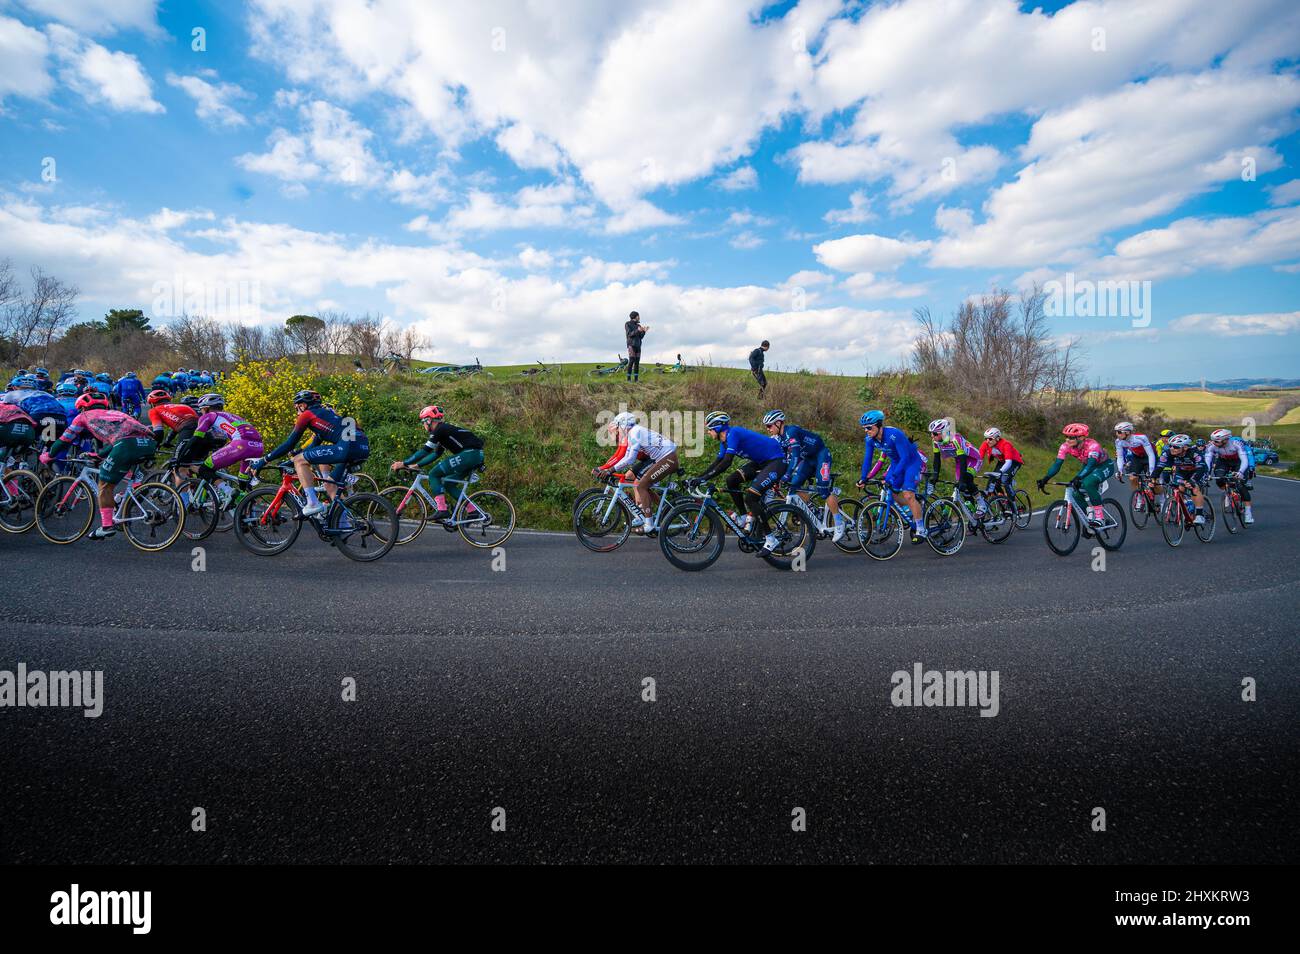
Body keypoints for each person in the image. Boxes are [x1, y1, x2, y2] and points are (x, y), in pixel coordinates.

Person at [39, 391, 158, 540]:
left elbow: (65, 439)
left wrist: (49, 455)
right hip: (148, 443)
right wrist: (100, 455)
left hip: (126, 445)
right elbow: (119, 438)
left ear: (82, 408)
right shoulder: (115, 413)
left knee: (105, 484)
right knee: (129, 478)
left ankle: (107, 526)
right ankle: (124, 501)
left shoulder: (83, 416)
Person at [253, 390, 369, 516]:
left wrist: (264, 460)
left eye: (297, 408)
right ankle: (342, 524)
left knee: (299, 460)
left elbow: (289, 444)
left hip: (347, 447)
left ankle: (313, 502)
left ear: (303, 405)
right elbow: (314, 446)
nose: (297, 412)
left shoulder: (307, 415)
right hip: (363, 446)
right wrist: (289, 462)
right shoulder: (327, 414)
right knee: (329, 485)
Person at [688, 411, 786, 553]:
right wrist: (698, 478)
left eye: (709, 429)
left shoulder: (733, 433)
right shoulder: (724, 441)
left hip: (776, 461)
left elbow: (727, 462)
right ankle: (743, 516)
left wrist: (703, 479)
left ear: (717, 427)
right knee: (731, 480)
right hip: (761, 463)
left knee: (751, 497)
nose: (708, 432)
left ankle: (771, 539)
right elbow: (718, 462)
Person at [390, 404, 482, 521]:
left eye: (423, 421)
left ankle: (442, 510)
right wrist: (416, 465)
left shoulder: (440, 429)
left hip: (469, 455)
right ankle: (472, 510)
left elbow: (425, 451)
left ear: (429, 420)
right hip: (475, 455)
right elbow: (435, 454)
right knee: (448, 484)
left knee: (434, 474)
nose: (423, 425)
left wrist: (404, 463)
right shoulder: (444, 431)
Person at [764, 409, 844, 542]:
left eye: (769, 425)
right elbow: (785, 460)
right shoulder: (781, 438)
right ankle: (813, 510)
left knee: (823, 490)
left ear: (778, 423)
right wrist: (779, 476)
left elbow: (795, 457)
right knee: (793, 486)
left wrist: (786, 475)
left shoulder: (791, 432)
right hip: (807, 459)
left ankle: (839, 523)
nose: (768, 429)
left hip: (821, 455)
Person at [596, 412, 678, 531]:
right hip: (662, 458)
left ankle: (649, 524)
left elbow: (630, 459)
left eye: (618, 427)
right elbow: (626, 456)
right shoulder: (632, 433)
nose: (617, 430)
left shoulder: (635, 432)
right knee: (643, 485)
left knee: (640, 486)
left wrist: (610, 470)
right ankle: (659, 512)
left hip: (668, 459)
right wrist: (609, 469)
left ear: (623, 425)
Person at [857, 409, 926, 539]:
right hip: (896, 463)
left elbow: (905, 457)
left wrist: (893, 476)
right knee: (889, 491)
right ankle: (912, 509)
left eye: (869, 427)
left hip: (911, 462)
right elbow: (868, 459)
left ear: (878, 425)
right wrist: (863, 478)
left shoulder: (894, 434)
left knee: (908, 494)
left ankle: (921, 529)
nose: (866, 430)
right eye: (864, 428)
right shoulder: (870, 440)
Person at [1036, 423, 1116, 526]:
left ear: (1082, 437)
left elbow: (1091, 465)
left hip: (1103, 466)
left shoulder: (1093, 446)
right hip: (1087, 466)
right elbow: (1057, 464)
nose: (1067, 440)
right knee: (1074, 491)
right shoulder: (1065, 446)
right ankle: (1089, 517)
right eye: (1066, 437)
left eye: (1071, 437)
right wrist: (1045, 478)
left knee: (1088, 483)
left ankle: (1100, 518)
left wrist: (1078, 477)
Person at [927, 417, 984, 516]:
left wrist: (962, 480)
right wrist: (935, 476)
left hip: (973, 459)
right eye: (931, 433)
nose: (932, 436)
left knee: (966, 478)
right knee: (963, 489)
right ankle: (973, 516)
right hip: (959, 460)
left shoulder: (955, 439)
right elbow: (937, 459)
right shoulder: (935, 442)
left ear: (944, 432)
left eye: (935, 433)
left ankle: (981, 503)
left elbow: (963, 460)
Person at [1152, 434, 1208, 525]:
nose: (1172, 448)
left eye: (1176, 446)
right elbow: (1160, 466)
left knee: (1194, 487)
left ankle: (1199, 515)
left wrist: (1193, 481)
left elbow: (1201, 468)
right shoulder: (1167, 453)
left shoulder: (1195, 453)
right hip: (1182, 471)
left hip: (1198, 471)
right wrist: (1153, 478)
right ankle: (1185, 508)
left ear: (1185, 447)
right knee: (1179, 489)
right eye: (1170, 446)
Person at [1204, 427, 1255, 525]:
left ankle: (1248, 513)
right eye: (1213, 441)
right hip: (1223, 461)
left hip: (1238, 461)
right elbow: (1207, 461)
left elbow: (1244, 460)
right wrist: (1206, 474)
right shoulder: (1211, 445)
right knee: (1219, 479)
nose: (1214, 443)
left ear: (1225, 440)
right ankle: (1227, 493)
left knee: (1240, 485)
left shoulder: (1236, 443)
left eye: (1217, 441)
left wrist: (1240, 472)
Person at [1113, 422, 1157, 512]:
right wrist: (1120, 470)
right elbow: (1120, 457)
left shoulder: (1141, 438)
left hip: (1149, 457)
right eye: (1116, 432)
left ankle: (1163, 499)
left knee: (1154, 482)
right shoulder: (1119, 441)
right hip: (1137, 457)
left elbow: (1151, 454)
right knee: (1132, 478)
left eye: (1119, 432)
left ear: (1127, 432)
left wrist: (1152, 471)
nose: (1117, 434)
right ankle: (1139, 497)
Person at [978, 427, 1023, 505]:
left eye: (990, 439)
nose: (987, 441)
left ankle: (1012, 503)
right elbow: (979, 459)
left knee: (1005, 480)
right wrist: (972, 470)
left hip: (1014, 461)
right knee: (992, 479)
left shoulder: (1006, 444)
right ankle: (1002, 497)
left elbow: (1009, 462)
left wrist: (1001, 472)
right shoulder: (985, 444)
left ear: (997, 438)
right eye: (986, 438)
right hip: (1002, 461)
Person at [624, 311, 647, 383]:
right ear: (635, 316)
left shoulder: (638, 325)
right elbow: (629, 334)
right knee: (631, 361)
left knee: (637, 362)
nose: (639, 317)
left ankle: (636, 379)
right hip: (631, 345)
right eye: (638, 316)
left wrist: (644, 331)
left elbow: (641, 337)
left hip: (638, 345)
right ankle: (628, 379)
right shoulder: (627, 324)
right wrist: (637, 330)